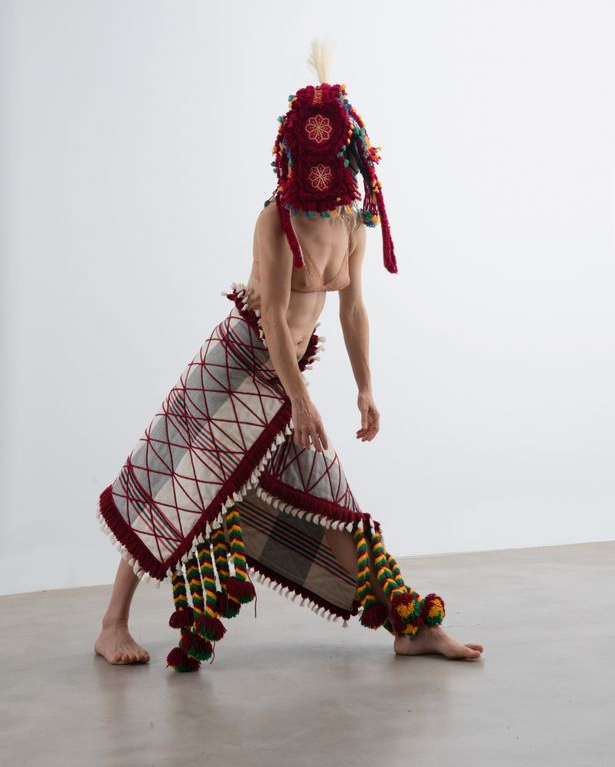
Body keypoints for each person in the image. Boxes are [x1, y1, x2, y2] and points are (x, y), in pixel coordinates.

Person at [95, 40, 483, 668]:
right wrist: (301, 401)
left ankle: (410, 625)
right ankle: (111, 624)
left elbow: (353, 309)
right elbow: (273, 318)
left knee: (338, 504)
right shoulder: (275, 220)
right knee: (172, 486)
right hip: (238, 365)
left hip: (288, 383)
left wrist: (364, 388)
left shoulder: (351, 221)